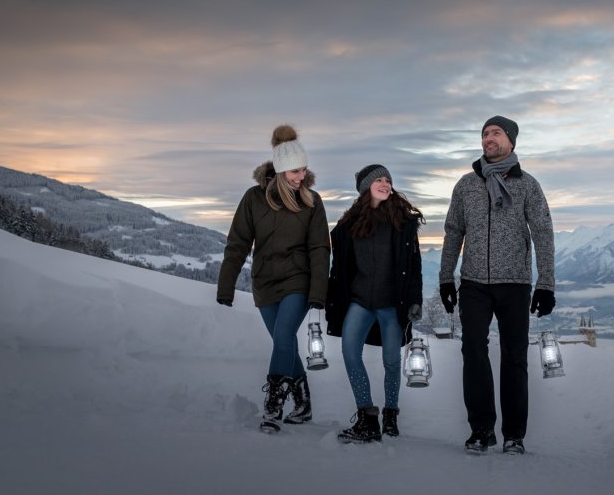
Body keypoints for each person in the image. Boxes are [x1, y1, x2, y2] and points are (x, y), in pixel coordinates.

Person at [439, 116, 555, 454]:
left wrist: (545, 283)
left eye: (496, 133)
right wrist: (446, 276)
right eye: (485, 133)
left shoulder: (528, 185)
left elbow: (543, 233)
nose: (489, 138)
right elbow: (453, 232)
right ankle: (481, 430)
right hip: (474, 283)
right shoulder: (465, 184)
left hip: (515, 284)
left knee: (514, 357)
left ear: (511, 141)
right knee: (473, 351)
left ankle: (514, 434)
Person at [217, 124, 331, 433]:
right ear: (280, 170)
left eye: (304, 170)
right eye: (295, 171)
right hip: (265, 283)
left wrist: (318, 292)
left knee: (283, 338)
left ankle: (273, 405)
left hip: (298, 280)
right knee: (285, 344)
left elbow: (320, 248)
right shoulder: (254, 199)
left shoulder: (312, 201)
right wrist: (225, 286)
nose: (301, 177)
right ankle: (304, 404)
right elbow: (238, 243)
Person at [325, 164, 424, 443]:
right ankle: (367, 416)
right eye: (378, 179)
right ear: (365, 187)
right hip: (359, 301)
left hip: (391, 304)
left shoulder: (402, 223)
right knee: (349, 352)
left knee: (391, 360)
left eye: (387, 180)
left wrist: (414, 301)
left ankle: (390, 414)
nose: (385, 183)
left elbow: (414, 267)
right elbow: (339, 269)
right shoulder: (348, 226)